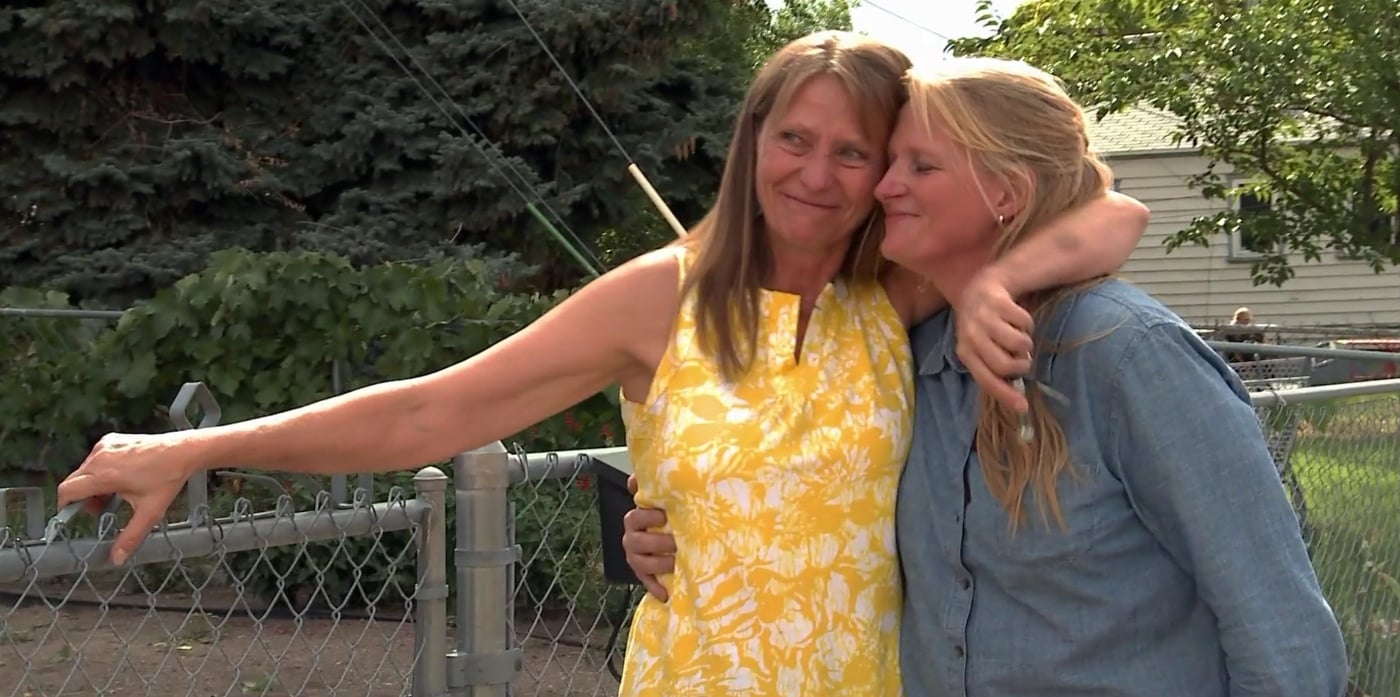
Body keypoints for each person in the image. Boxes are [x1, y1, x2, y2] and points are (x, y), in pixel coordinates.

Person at [56, 33, 1150, 697]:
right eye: (792, 138)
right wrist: (198, 443)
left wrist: (1001, 286)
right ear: (750, 139)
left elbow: (1111, 211)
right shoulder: (657, 297)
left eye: (852, 150)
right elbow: (428, 414)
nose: (815, 173)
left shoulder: (893, 295)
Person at [622, 56, 1349, 695]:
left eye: (919, 166)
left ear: (1006, 191)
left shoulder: (1127, 356)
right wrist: (684, 519)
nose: (883, 187)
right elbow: (813, 504)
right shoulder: (903, 358)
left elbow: (1284, 642)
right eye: (889, 162)